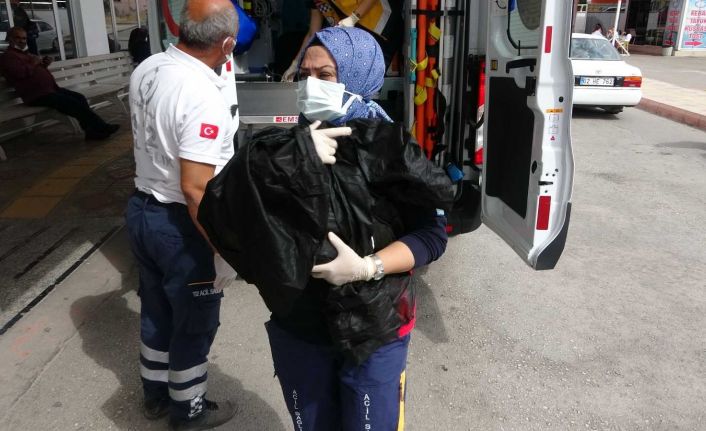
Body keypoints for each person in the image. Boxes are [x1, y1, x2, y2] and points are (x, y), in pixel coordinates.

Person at [268, 26, 449, 430]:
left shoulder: (390, 149)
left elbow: (432, 236)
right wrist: (286, 162)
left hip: (375, 325)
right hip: (301, 325)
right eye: (304, 75)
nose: (310, 85)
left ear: (358, 76)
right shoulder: (284, 147)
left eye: (325, 75)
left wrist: (368, 266)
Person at [125, 0, 240, 429]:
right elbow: (196, 189)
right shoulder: (202, 95)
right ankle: (188, 410)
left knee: (156, 311)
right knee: (194, 322)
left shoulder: (149, 68)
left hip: (142, 210)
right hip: (180, 226)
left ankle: (155, 396)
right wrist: (223, 249)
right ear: (227, 45)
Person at [0, 27, 120, 141]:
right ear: (10, 39)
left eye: (24, 38)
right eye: (18, 38)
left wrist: (44, 64)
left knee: (79, 98)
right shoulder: (8, 57)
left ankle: (91, 131)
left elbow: (33, 70)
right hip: (36, 95)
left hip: (49, 90)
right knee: (72, 103)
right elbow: (20, 73)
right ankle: (102, 127)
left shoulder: (24, 54)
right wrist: (34, 63)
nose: (22, 41)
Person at [281, 0, 403, 81]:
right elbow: (313, 33)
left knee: (369, 86)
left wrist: (353, 18)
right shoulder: (318, 1)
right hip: (356, 40)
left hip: (383, 30)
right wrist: (296, 63)